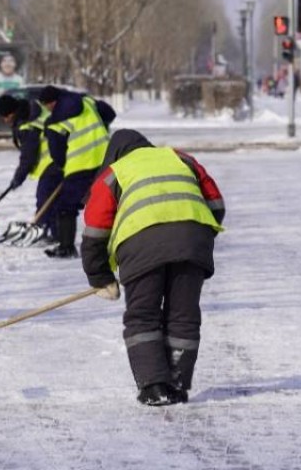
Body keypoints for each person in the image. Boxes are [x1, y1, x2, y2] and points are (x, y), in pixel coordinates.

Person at [79, 129, 224, 406]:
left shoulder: (114, 173)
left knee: (143, 315)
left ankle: (154, 385)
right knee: (183, 315)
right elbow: (215, 203)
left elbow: (95, 232)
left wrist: (100, 277)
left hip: (141, 248)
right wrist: (191, 239)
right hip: (192, 242)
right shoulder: (180, 158)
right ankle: (177, 384)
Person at [38, 85, 116, 258]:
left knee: (65, 206)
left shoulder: (55, 123)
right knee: (109, 203)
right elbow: (110, 113)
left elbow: (57, 154)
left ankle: (66, 247)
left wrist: (63, 167)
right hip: (106, 160)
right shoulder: (87, 101)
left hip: (80, 166)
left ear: (50, 103)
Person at [0, 94, 58, 244]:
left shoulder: (28, 126)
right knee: (51, 200)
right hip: (60, 158)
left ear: (13, 112)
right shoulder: (32, 110)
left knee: (45, 198)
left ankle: (44, 232)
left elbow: (28, 157)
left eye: (6, 116)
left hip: (54, 162)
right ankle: (54, 233)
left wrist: (19, 178)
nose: (5, 120)